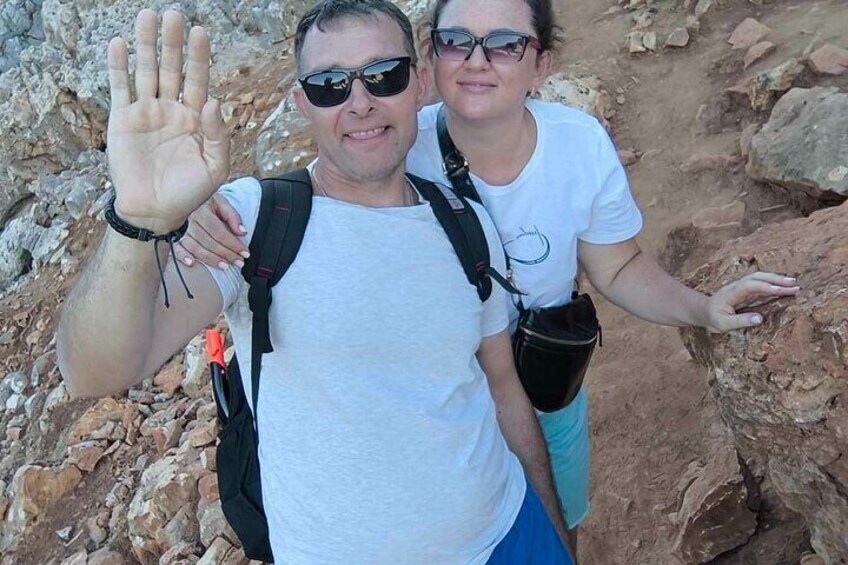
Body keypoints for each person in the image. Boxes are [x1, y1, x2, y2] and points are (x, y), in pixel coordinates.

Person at [179, 0, 801, 558]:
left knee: (558, 514)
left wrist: (705, 309)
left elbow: (619, 265)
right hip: (437, 396)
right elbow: (321, 185)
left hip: (536, 379)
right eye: (456, 41)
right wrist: (194, 211)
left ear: (542, 62)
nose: (477, 61)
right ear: (430, 61)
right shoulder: (389, 140)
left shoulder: (577, 147)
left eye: (505, 44)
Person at [56, 1, 576, 563]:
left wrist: (551, 532)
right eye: (330, 84)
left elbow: (502, 389)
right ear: (302, 101)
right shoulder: (253, 222)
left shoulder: (464, 221)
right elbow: (93, 371)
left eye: (384, 75)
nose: (360, 103)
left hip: (509, 533)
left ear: (420, 83)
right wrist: (138, 218)